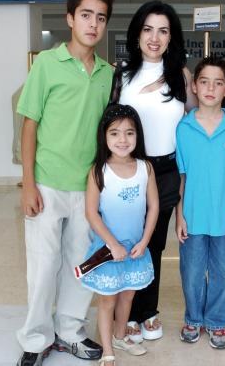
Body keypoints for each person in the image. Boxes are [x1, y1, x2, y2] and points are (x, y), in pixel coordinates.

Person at [117, 0, 225, 342]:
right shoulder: (121, 75)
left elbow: (206, 109)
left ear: (171, 37)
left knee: (154, 244)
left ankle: (148, 311)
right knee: (126, 238)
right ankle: (127, 314)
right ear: (137, 34)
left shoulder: (181, 76)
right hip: (128, 169)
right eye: (148, 29)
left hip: (164, 171)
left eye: (163, 31)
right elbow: (111, 123)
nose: (154, 37)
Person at [16, 0, 114, 366]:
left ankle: (70, 331)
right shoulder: (46, 64)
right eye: (86, 15)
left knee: (81, 262)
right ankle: (36, 338)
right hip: (47, 181)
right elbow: (28, 125)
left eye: (101, 18)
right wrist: (28, 183)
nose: (93, 24)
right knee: (43, 266)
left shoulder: (107, 74)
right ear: (71, 19)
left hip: (88, 186)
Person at [175, 56, 225, 350]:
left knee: (224, 273)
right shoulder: (183, 128)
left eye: (218, 83)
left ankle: (217, 321)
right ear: (194, 86)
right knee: (192, 273)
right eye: (204, 81)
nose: (210, 88)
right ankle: (193, 318)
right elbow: (181, 177)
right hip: (193, 217)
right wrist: (179, 216)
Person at [82, 104, 159, 366]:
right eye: (114, 133)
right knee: (107, 301)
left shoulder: (145, 168)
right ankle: (107, 350)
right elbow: (91, 213)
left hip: (136, 249)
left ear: (138, 136)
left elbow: (154, 206)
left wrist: (145, 240)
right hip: (109, 253)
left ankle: (119, 335)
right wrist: (112, 244)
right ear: (104, 137)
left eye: (129, 133)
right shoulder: (98, 171)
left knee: (128, 295)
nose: (122, 140)